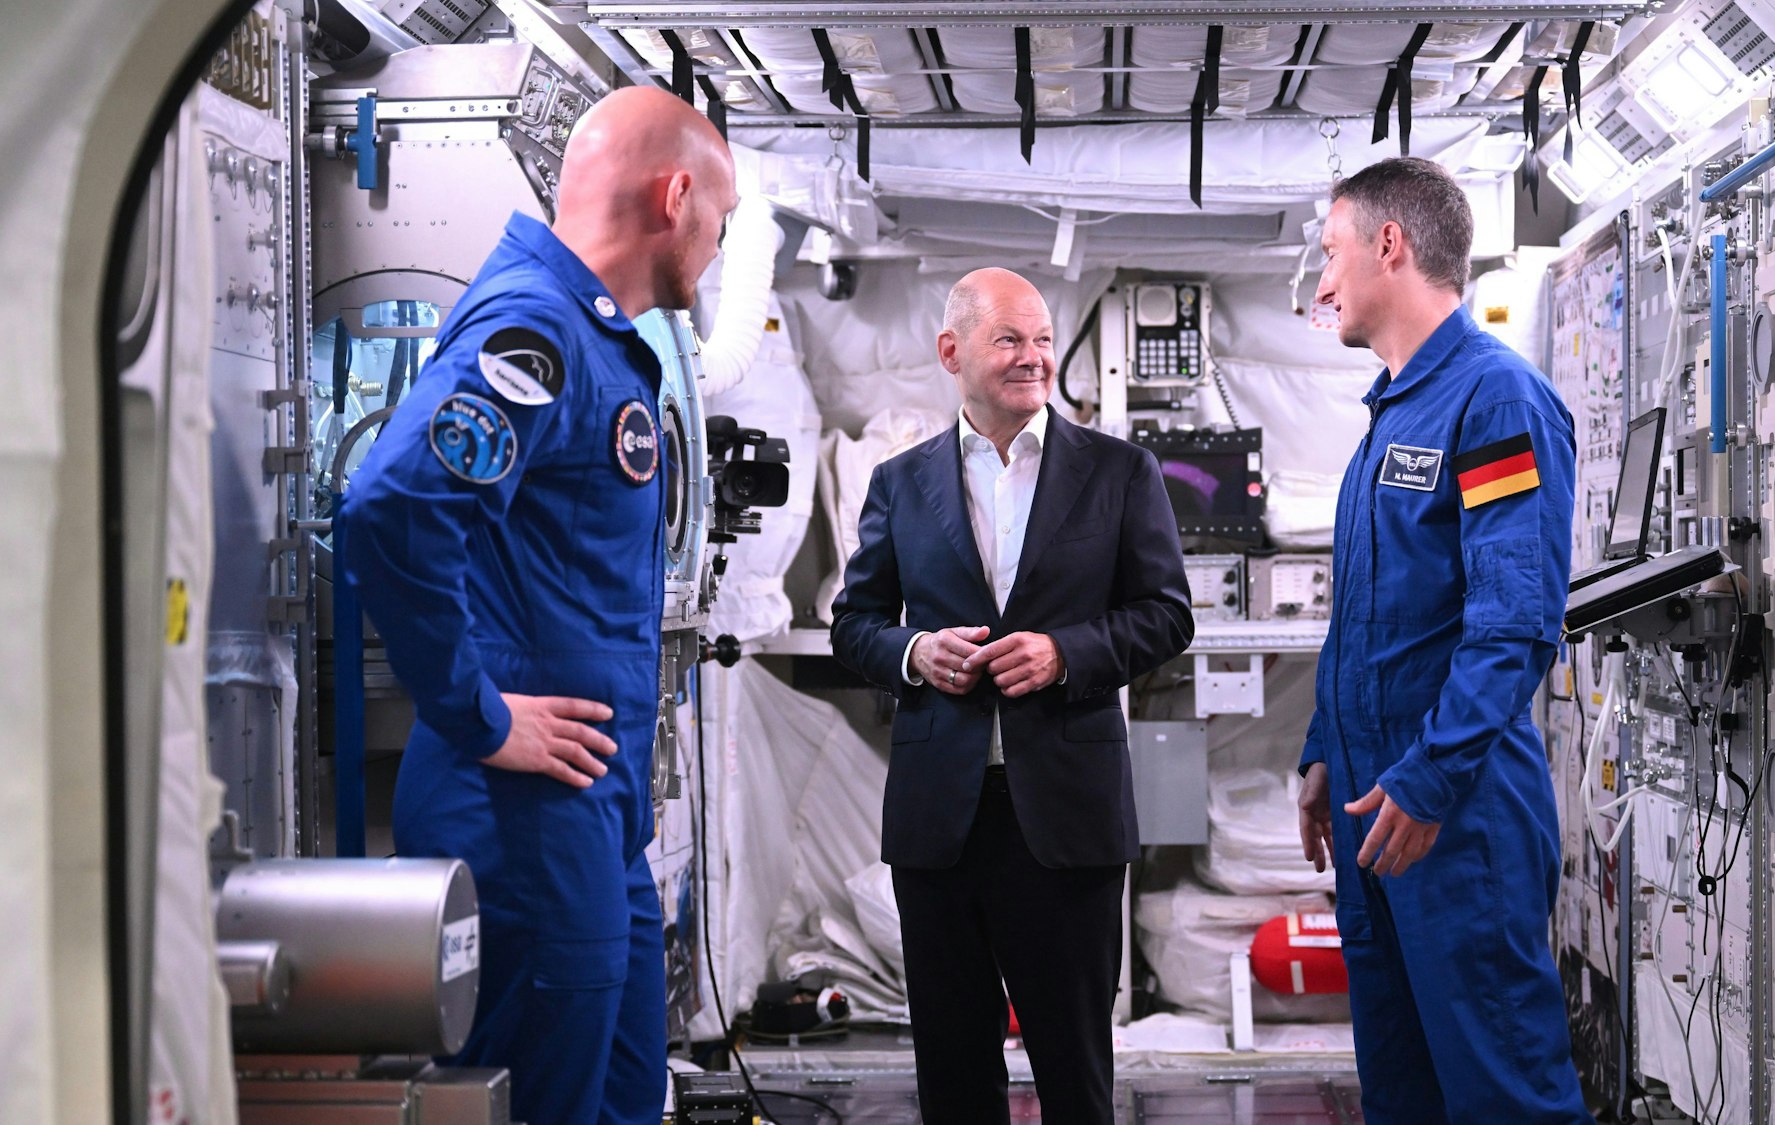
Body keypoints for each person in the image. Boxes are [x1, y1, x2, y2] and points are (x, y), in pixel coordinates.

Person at [340, 88, 737, 1124]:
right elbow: (391, 507)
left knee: (615, 1098)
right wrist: (479, 714)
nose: (716, 247)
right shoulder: (536, 329)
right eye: (720, 223)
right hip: (521, 820)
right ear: (676, 192)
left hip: (590, 817)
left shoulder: (593, 337)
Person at [831, 268, 1194, 1124]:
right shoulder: (900, 481)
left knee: (1075, 1068)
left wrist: (1067, 653)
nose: (1034, 358)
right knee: (954, 1074)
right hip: (940, 823)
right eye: (1009, 340)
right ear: (951, 350)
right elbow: (856, 622)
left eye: (1041, 339)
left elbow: (1167, 615)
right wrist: (916, 651)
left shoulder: (1120, 472)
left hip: (1065, 818)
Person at [1293, 157, 1590, 1123]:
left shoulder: (1494, 399)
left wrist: (1427, 779)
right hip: (1377, 805)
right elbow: (1370, 619)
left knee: (1504, 1089)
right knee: (1404, 1090)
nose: (1323, 283)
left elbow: (1513, 623)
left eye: (1332, 254)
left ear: (1392, 244)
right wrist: (1322, 753)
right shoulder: (1392, 411)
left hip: (1456, 816)